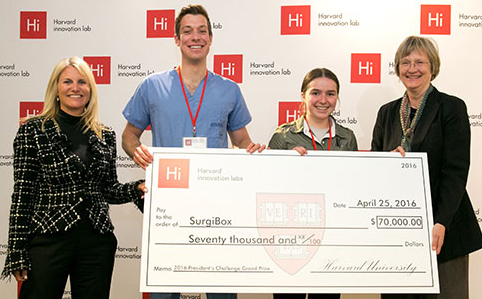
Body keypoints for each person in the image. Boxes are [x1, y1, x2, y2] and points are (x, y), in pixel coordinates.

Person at [122, 4, 263, 299]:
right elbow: (129, 136)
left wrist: (252, 152)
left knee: (221, 289)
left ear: (211, 38)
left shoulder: (229, 89)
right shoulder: (152, 86)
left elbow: (241, 140)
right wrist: (137, 152)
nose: (195, 37)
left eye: (202, 31)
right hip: (168, 203)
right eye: (187, 31)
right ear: (176, 39)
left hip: (218, 203)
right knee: (164, 291)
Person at [1, 57, 146, 299]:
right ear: (56, 88)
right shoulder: (32, 130)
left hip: (96, 242)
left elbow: (108, 189)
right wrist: (16, 250)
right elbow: (23, 194)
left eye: (82, 82)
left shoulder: (105, 135)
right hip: (48, 240)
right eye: (67, 81)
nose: (75, 88)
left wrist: (137, 188)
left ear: (90, 90)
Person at [371, 36, 482, 299]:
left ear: (433, 67)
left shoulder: (451, 107)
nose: (412, 68)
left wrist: (441, 221)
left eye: (420, 62)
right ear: (397, 69)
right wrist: (389, 161)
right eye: (405, 62)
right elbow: (374, 168)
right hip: (398, 230)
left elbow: (455, 171)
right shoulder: (386, 113)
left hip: (443, 229)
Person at [269, 68, 357, 299]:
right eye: (315, 93)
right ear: (303, 96)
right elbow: (269, 190)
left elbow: (353, 187)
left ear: (337, 98)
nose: (323, 100)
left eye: (330, 94)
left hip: (331, 239)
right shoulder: (283, 136)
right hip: (290, 242)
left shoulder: (348, 138)